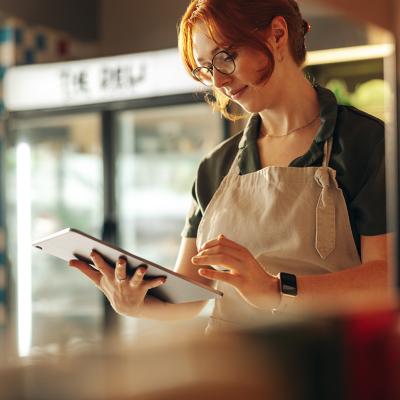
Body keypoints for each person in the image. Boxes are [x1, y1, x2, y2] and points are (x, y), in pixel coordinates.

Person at [69, 0, 390, 333]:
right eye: (206, 69)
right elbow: (193, 295)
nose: (219, 82)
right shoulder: (215, 167)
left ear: (277, 35)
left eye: (226, 58)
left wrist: (277, 291)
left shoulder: (366, 144)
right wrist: (138, 303)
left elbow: (385, 276)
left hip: (324, 369)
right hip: (230, 372)